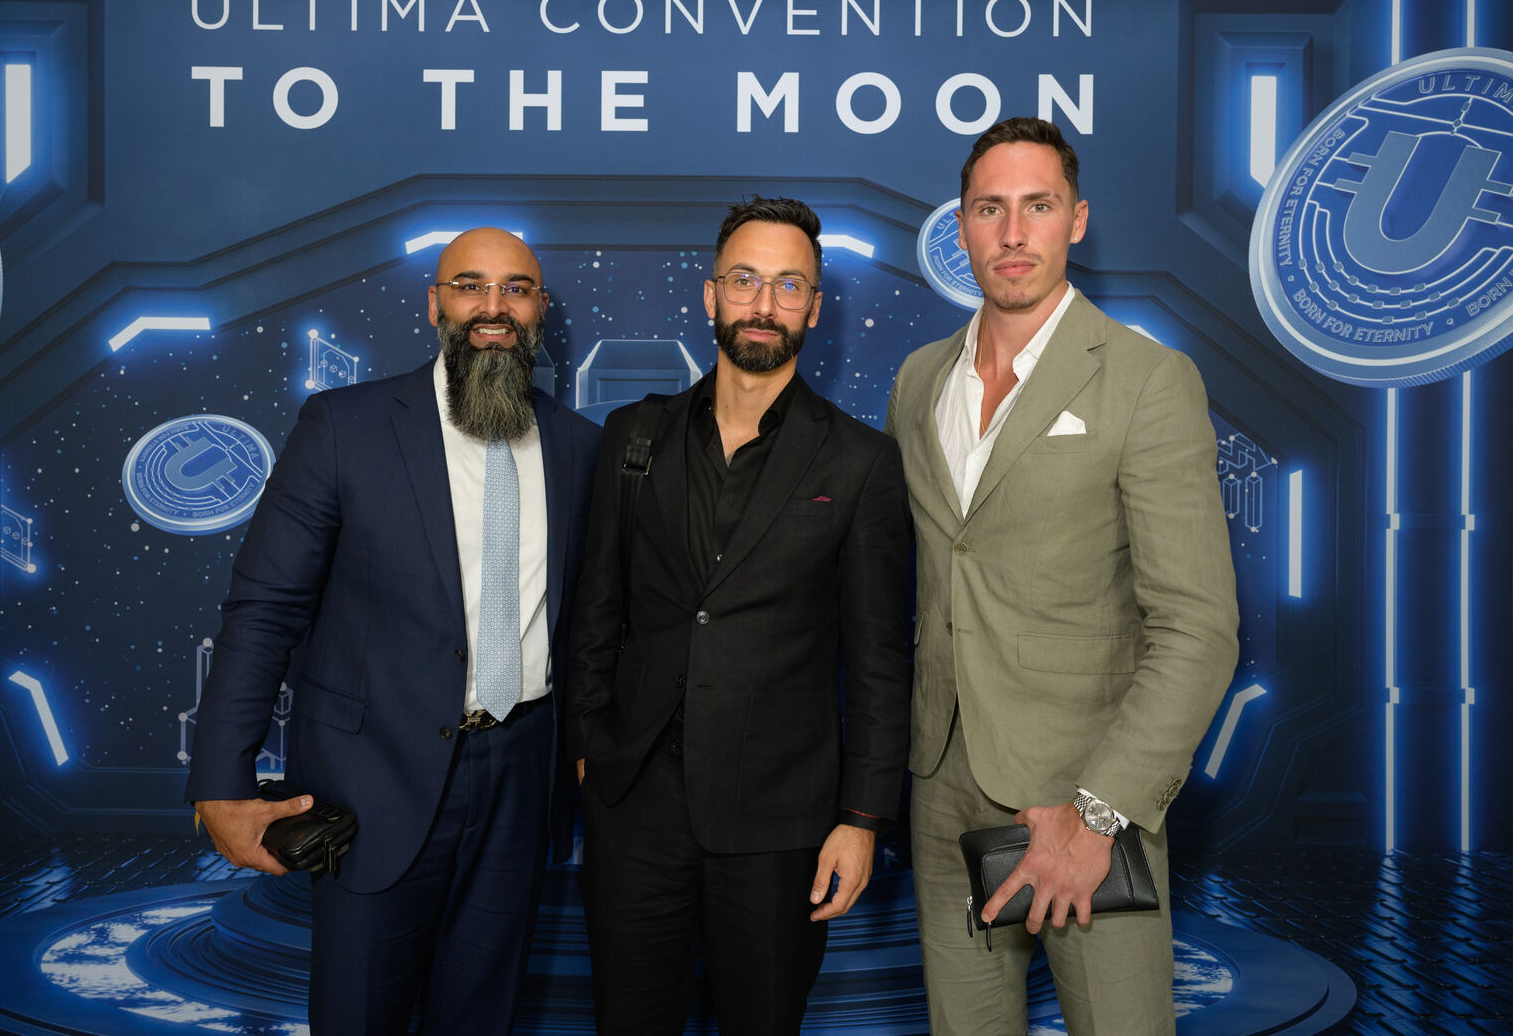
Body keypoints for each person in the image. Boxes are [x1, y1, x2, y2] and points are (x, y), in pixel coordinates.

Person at [185, 227, 601, 1035]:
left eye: (515, 289)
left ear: (539, 309)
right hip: (373, 781)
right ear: (434, 304)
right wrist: (220, 782)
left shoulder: (581, 448)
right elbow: (265, 607)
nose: (493, 307)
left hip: (522, 778)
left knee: (481, 1017)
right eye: (470, 285)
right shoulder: (345, 425)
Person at [885, 117, 1238, 1035]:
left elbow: (1197, 628)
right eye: (988, 209)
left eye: (1036, 206)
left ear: (1075, 220)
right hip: (941, 782)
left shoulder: (1146, 379)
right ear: (959, 226)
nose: (1012, 234)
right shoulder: (918, 381)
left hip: (1083, 796)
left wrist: (1099, 813)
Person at [564, 196, 913, 1035]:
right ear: (711, 294)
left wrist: (861, 821)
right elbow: (595, 610)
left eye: (788, 285)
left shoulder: (860, 462)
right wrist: (587, 751)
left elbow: (878, 662)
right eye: (745, 280)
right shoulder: (633, 435)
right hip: (635, 805)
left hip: (781, 819)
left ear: (813, 308)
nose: (764, 303)